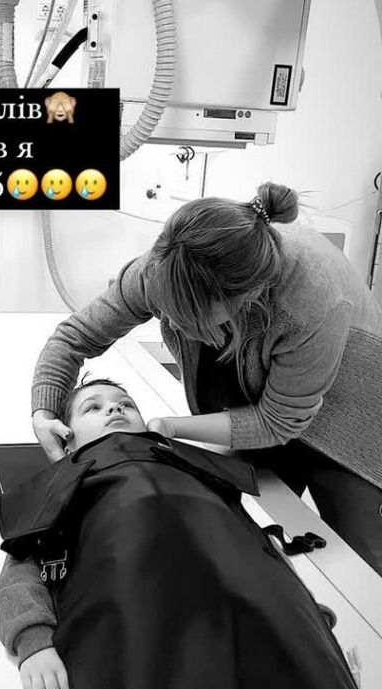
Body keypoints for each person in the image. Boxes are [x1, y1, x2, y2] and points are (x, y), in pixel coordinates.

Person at [0, 377, 382, 689]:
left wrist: (312, 626)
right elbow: (19, 573)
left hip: (270, 643)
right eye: (93, 407)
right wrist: (34, 642)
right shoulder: (61, 488)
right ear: (66, 440)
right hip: (150, 658)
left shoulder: (201, 471)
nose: (114, 410)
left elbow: (256, 550)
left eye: (124, 403)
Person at [31, 183, 382, 575]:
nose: (172, 324)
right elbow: (72, 339)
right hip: (267, 406)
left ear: (246, 298)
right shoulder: (161, 271)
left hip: (351, 412)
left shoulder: (310, 300)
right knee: (239, 536)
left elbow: (279, 421)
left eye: (186, 319)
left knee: (363, 568)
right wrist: (44, 411)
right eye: (166, 311)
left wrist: (170, 427)